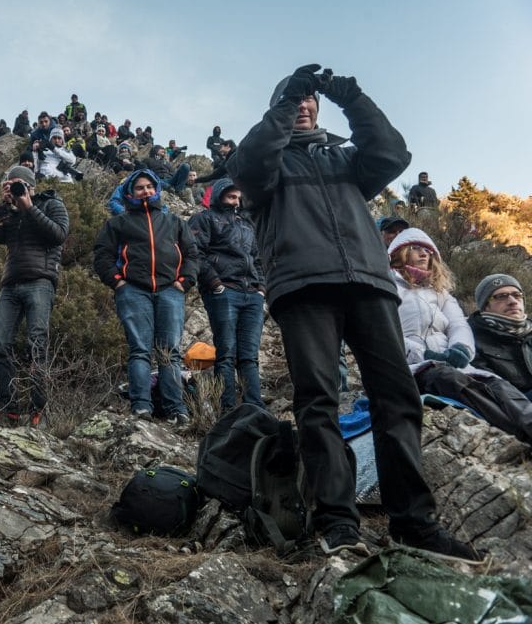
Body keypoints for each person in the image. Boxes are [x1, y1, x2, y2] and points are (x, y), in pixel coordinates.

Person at [227, 63, 481, 562]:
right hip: (303, 288)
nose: (304, 106)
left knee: (398, 398)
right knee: (318, 401)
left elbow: (392, 153)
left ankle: (414, 523)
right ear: (278, 110)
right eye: (294, 100)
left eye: (309, 101)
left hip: (368, 284)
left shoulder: (345, 160)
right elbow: (250, 166)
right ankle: (337, 520)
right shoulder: (265, 163)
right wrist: (285, 100)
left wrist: (353, 97)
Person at [388, 229, 532, 444]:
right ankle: (517, 436)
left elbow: (458, 325)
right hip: (413, 367)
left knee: (497, 384)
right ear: (399, 253)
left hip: (453, 362)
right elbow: (386, 332)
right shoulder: (388, 288)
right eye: (416, 248)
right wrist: (424, 354)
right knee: (450, 379)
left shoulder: (441, 293)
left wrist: (462, 350)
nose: (424, 253)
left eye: (428, 250)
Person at [94, 169, 198, 424]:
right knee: (140, 350)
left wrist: (183, 283)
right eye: (140, 188)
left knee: (170, 352)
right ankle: (141, 406)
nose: (146, 191)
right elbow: (102, 255)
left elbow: (193, 254)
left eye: (150, 187)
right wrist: (117, 282)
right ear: (130, 192)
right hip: (133, 290)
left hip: (170, 291)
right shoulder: (118, 222)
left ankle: (176, 409)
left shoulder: (174, 222)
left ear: (157, 190)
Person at [0, 166, 70, 427]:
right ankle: (10, 410)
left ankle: (38, 410)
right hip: (10, 284)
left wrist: (28, 206)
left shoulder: (52, 203)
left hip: (40, 282)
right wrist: (4, 205)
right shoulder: (7, 211)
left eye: (18, 183)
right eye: (9, 184)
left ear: (31, 185)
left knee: (37, 345)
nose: (14, 188)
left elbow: (58, 235)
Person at [189, 178, 266, 414]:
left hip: (252, 294)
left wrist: (262, 288)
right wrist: (214, 283)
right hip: (224, 291)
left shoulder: (246, 223)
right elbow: (195, 252)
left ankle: (255, 407)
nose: (235, 200)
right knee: (226, 353)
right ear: (219, 195)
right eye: (231, 196)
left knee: (249, 355)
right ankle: (228, 408)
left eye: (238, 197)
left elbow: (257, 257)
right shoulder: (204, 219)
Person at [469, 274, 532, 399]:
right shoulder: (471, 338)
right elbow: (491, 390)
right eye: (501, 297)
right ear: (485, 306)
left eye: (517, 295)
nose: (512, 301)